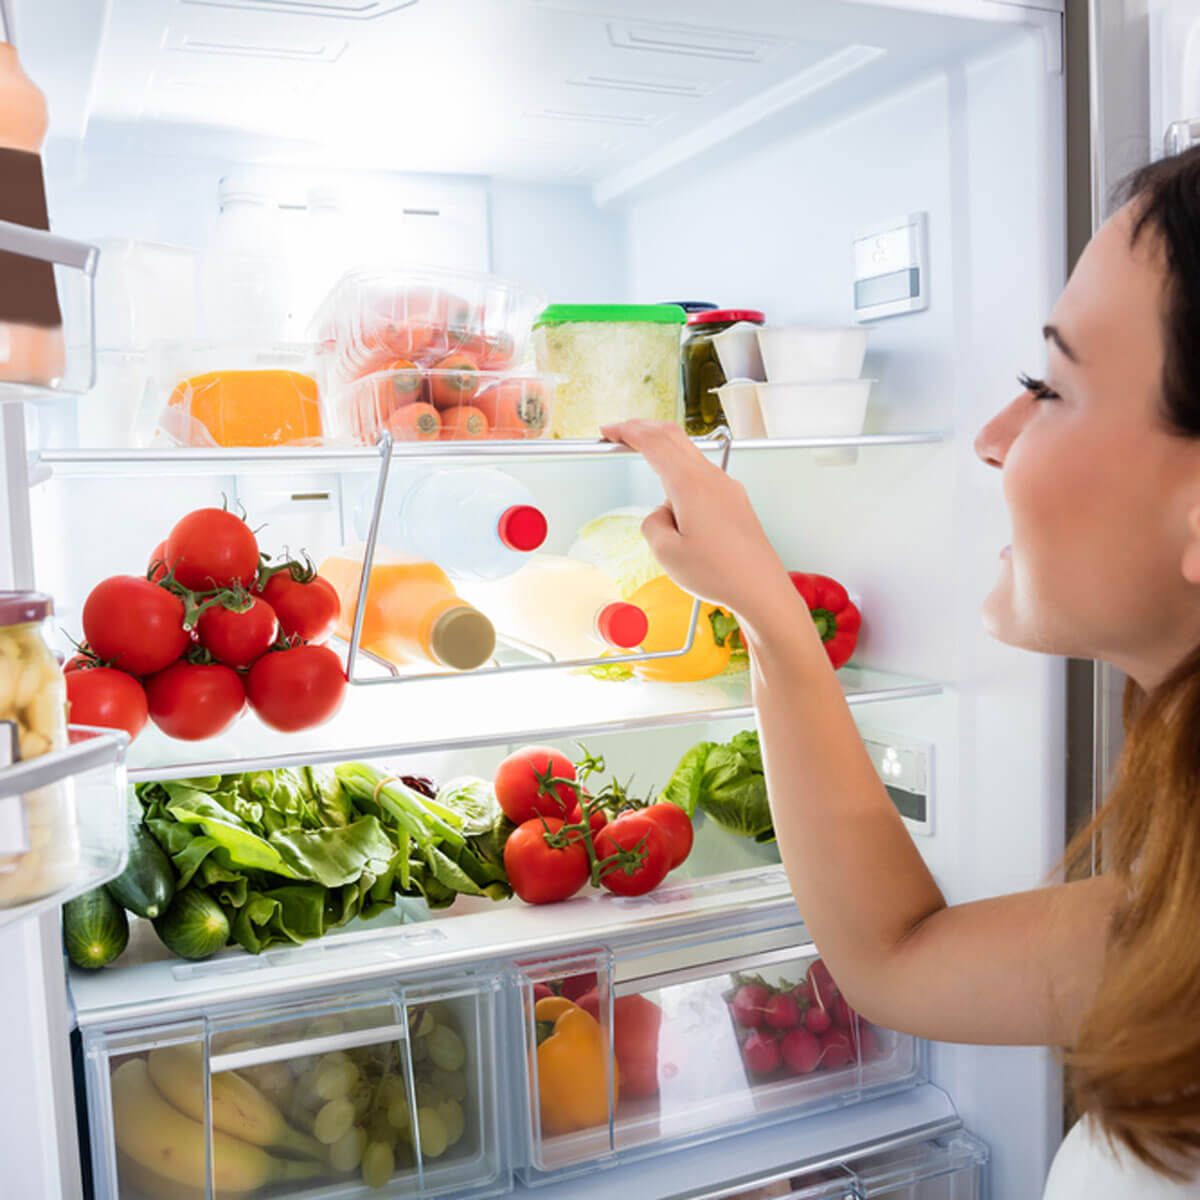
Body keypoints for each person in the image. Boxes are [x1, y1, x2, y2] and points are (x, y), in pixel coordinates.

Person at [602, 144, 1200, 1198]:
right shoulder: (1180, 926)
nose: (992, 438)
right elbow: (896, 958)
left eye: (1048, 388)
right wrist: (772, 621)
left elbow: (894, 961)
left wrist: (770, 617)